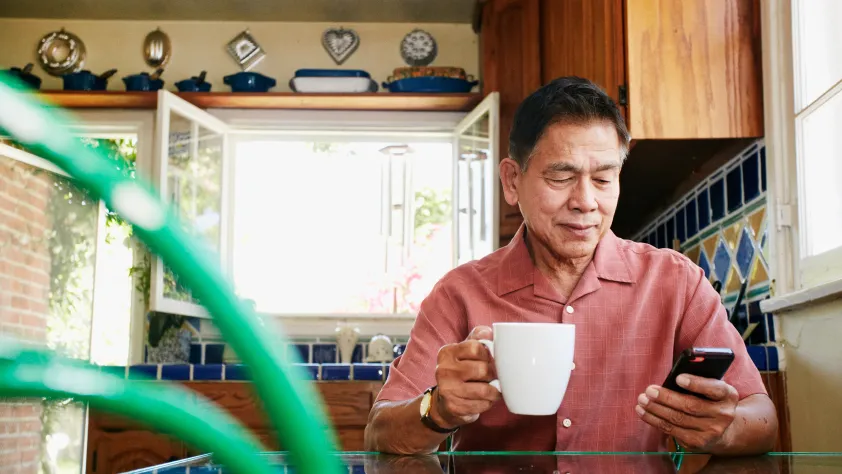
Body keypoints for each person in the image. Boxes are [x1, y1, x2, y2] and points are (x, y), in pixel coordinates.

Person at [364, 76, 778, 455]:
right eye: (561, 178)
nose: (585, 202)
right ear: (512, 182)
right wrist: (438, 410)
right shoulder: (459, 293)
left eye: (603, 179)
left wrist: (723, 429)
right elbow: (380, 432)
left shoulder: (677, 281)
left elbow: (761, 415)